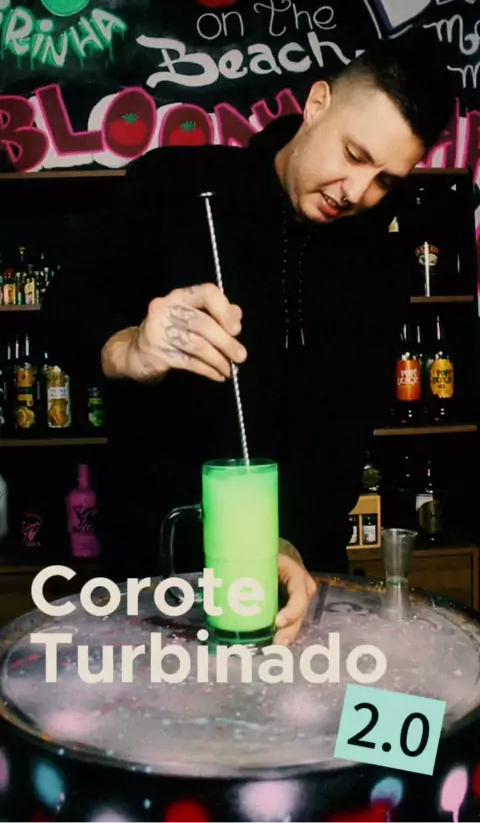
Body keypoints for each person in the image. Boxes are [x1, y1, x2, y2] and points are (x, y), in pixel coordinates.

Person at [42, 31, 455, 646]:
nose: (355, 191)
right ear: (317, 104)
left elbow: (346, 437)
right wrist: (130, 347)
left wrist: (287, 543)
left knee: (333, 710)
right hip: (155, 573)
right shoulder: (174, 186)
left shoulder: (378, 263)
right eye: (352, 153)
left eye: (384, 180)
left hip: (301, 578)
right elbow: (66, 310)